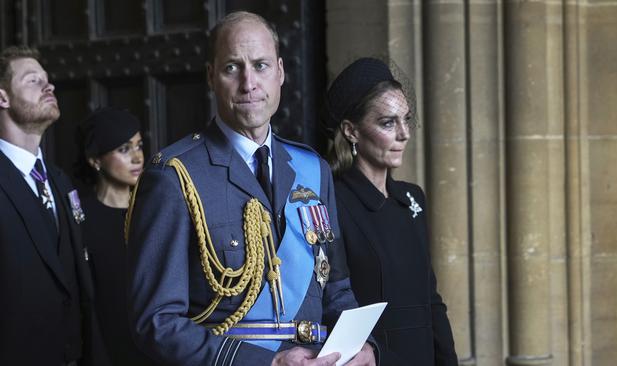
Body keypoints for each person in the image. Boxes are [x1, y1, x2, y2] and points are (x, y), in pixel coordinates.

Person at [126, 11, 375, 366]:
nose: (248, 83)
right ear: (211, 76)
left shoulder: (312, 169)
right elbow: (156, 323)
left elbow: (336, 290)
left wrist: (363, 348)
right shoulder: (174, 176)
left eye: (260, 66)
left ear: (280, 72)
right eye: (232, 68)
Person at [324, 57, 458, 365]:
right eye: (388, 123)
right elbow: (331, 303)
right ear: (351, 131)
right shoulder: (332, 201)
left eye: (406, 119)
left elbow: (431, 300)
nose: (404, 133)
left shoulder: (412, 198)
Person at [0, 46, 107, 365]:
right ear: (2, 98)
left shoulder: (59, 181)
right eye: (33, 81)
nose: (50, 87)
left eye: (48, 80)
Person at [74, 107, 155, 365]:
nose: (137, 157)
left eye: (138, 145)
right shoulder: (79, 218)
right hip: (104, 350)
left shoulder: (155, 210)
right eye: (123, 149)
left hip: (157, 349)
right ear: (96, 160)